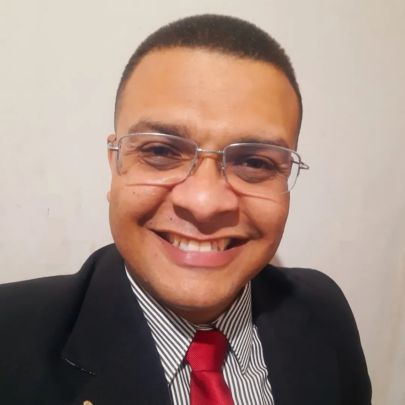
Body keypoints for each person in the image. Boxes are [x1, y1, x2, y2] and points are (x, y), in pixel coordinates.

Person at [0, 14, 371, 405]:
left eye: (255, 162)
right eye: (161, 151)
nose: (204, 203)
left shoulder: (324, 309)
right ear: (115, 165)